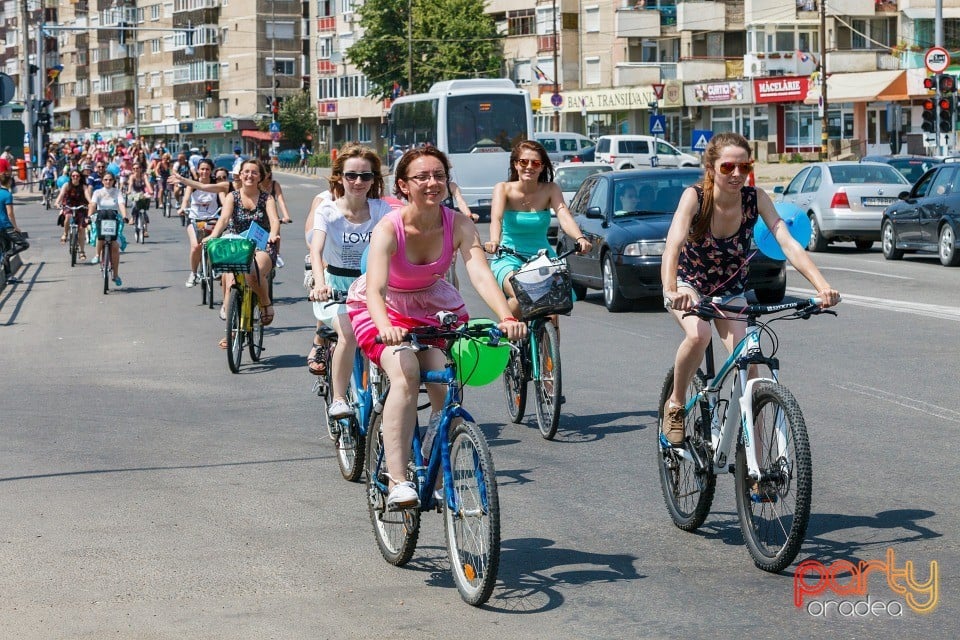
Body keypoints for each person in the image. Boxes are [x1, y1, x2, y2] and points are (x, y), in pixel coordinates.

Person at [346, 147, 526, 509]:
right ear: (404, 185)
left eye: (439, 175)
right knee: (406, 371)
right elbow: (377, 288)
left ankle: (433, 465)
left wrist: (507, 315)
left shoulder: (458, 223)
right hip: (383, 308)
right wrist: (386, 328)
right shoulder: (389, 228)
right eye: (422, 177)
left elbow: (479, 272)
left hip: (431, 304)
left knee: (444, 383)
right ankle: (398, 480)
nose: (432, 183)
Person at [659, 132, 840, 447]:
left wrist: (822, 286)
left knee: (751, 371)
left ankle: (757, 472)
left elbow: (787, 242)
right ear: (712, 167)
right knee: (699, 335)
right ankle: (675, 405)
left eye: (744, 167)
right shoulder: (695, 197)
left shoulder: (755, 198)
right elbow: (672, 246)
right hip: (690, 287)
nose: (737, 174)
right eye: (728, 167)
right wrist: (671, 289)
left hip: (731, 293)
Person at [308, 144, 392, 417]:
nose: (358, 182)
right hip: (337, 287)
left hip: (373, 287)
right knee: (348, 333)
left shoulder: (382, 210)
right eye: (351, 176)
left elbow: (399, 243)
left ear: (374, 180)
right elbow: (316, 249)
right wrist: (320, 284)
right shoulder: (328, 211)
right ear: (340, 177)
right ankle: (340, 398)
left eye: (366, 176)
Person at [484, 140, 592, 319]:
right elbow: (496, 218)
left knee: (553, 307)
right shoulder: (503, 189)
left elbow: (563, 213)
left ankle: (550, 346)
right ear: (515, 164)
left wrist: (579, 238)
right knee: (521, 295)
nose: (529, 167)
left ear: (542, 167)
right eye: (523, 162)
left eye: (535, 163)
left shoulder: (550, 189)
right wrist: (494, 240)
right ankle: (509, 337)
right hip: (510, 257)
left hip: (542, 257)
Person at [204, 159, 280, 333]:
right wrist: (214, 236)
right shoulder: (233, 196)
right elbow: (223, 219)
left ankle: (265, 304)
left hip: (261, 246)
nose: (249, 175)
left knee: (253, 273)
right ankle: (231, 327)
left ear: (260, 176)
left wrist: (273, 234)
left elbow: (274, 220)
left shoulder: (266, 198)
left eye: (254, 172)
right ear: (240, 174)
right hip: (237, 245)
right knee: (229, 275)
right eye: (246, 172)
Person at [180, 159, 221, 288]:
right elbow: (186, 199)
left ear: (211, 171)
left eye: (207, 169)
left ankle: (217, 268)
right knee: (196, 246)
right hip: (194, 220)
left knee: (216, 245)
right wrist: (182, 208)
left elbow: (224, 201)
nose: (204, 172)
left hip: (213, 220)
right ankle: (193, 273)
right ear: (198, 170)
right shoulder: (192, 184)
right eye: (202, 169)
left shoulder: (216, 185)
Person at [88, 171, 128, 286]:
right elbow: (93, 205)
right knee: (100, 236)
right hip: (101, 218)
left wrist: (125, 216)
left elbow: (121, 205)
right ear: (102, 181)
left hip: (113, 219)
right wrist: (89, 216)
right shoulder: (97, 192)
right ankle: (97, 255)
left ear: (113, 181)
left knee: (115, 247)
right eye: (105, 179)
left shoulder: (117, 192)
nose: (108, 182)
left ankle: (115, 275)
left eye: (110, 180)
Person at [55, 170, 90, 259]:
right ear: (70, 177)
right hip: (69, 205)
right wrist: (57, 202)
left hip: (80, 206)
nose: (75, 177)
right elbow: (61, 194)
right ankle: (65, 234)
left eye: (77, 176)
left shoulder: (83, 186)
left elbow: (87, 196)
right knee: (68, 216)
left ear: (80, 177)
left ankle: (82, 252)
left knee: (82, 229)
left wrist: (91, 203)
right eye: (73, 176)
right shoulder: (67, 185)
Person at [0, 174, 28, 282]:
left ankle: (9, 276)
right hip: (6, 226)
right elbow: (10, 213)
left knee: (6, 248)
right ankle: (6, 256)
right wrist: (15, 227)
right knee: (24, 244)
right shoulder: (7, 194)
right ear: (9, 182)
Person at [127, 163, 153, 237]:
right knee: (134, 204)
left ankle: (145, 230)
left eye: (137, 168)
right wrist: (129, 191)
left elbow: (147, 184)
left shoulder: (143, 176)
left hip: (142, 192)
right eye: (134, 168)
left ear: (140, 169)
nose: (136, 170)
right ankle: (132, 217)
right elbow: (130, 184)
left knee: (144, 209)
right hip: (134, 192)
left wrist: (150, 191)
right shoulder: (132, 176)